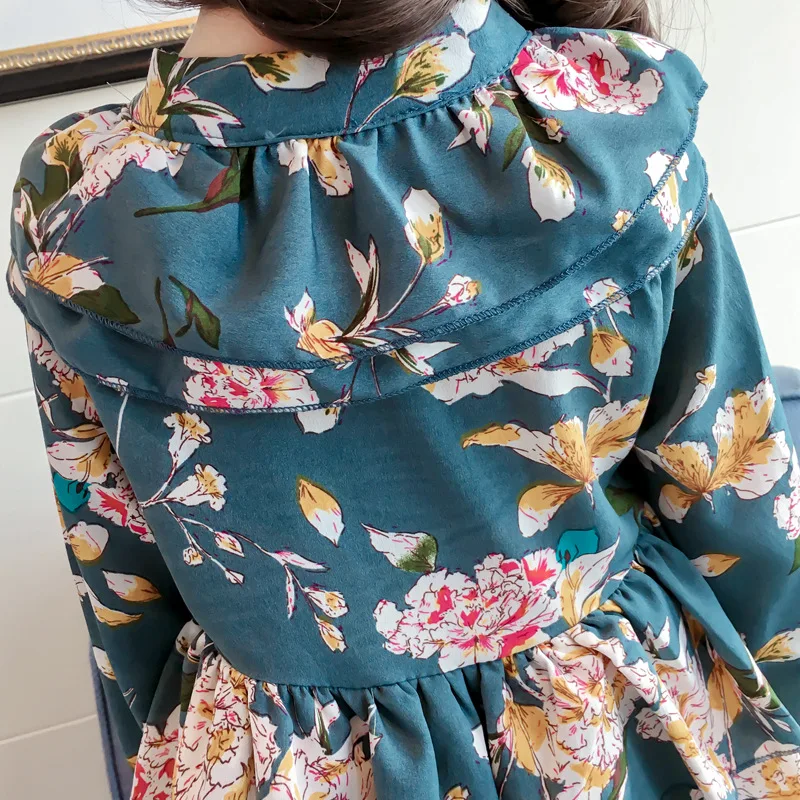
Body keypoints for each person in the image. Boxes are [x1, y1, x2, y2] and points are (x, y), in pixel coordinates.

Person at [8, 0, 800, 797]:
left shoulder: (77, 211)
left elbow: (124, 597)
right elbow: (740, 503)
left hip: (271, 765)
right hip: (603, 741)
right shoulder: (594, 128)